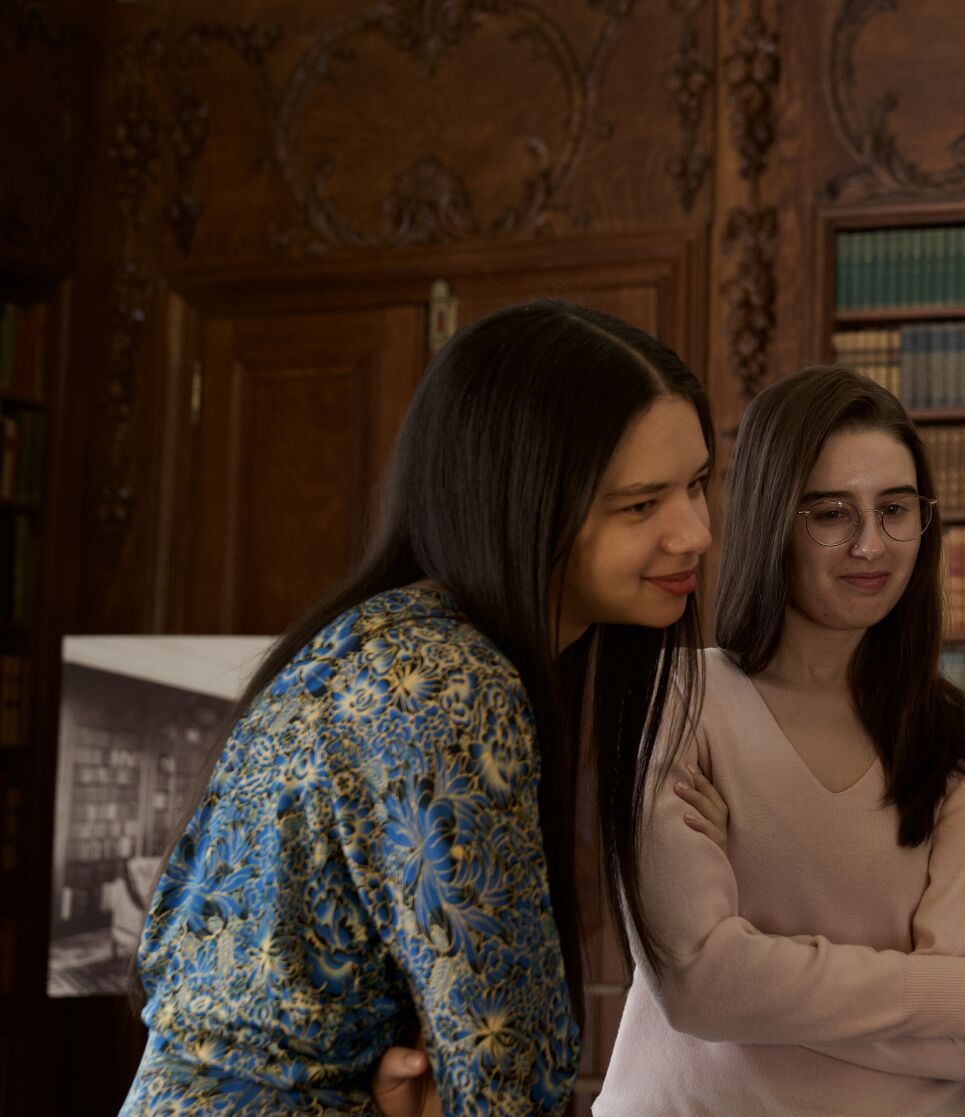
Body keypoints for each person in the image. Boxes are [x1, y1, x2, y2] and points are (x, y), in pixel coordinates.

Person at [119, 300, 716, 1116]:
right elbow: (508, 1067)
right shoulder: (448, 683)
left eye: (697, 484)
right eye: (642, 505)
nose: (696, 532)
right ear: (523, 501)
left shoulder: (395, 640)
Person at [590, 366, 965, 1116]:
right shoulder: (676, 698)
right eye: (832, 513)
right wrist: (952, 993)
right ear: (773, 518)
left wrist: (755, 970)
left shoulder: (955, 734)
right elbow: (698, 983)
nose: (872, 544)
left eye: (896, 508)